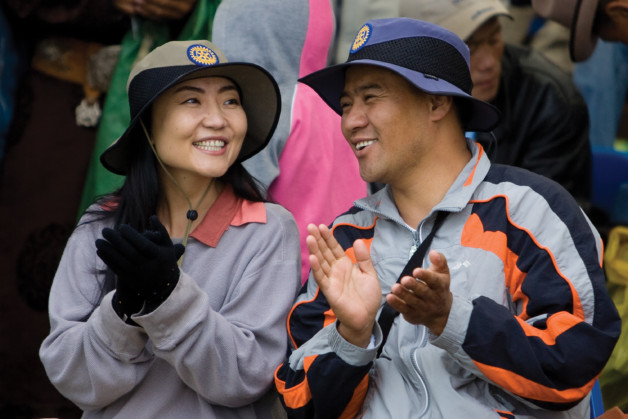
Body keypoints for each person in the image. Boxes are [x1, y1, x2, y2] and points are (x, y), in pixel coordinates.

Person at [274, 17, 620, 417]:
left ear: (437, 102)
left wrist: (450, 318)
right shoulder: (346, 237)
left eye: (371, 97)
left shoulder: (531, 211)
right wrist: (353, 337)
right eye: (347, 104)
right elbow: (300, 404)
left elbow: (574, 365)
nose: (350, 121)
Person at [39, 39, 301, 418]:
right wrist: (124, 310)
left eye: (230, 100)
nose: (218, 119)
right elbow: (75, 380)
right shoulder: (102, 224)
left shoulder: (267, 228)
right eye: (192, 100)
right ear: (146, 124)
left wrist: (167, 296)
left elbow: (245, 379)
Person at [212, 0, 367, 283]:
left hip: (280, 277)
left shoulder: (263, 107)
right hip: (347, 269)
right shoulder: (337, 105)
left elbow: (241, 198)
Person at [399, 0, 593, 207]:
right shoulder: (392, 101)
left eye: (494, 40)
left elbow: (545, 218)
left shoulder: (549, 100)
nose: (489, 63)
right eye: (468, 49)